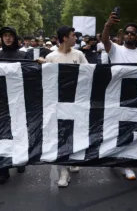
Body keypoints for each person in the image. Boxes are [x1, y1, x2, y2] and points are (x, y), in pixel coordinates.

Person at [101, 12, 137, 181]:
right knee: (114, 129)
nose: (130, 35)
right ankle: (114, 158)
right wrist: (108, 25)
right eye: (127, 32)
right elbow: (105, 40)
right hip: (115, 95)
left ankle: (125, 163)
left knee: (130, 130)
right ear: (123, 35)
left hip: (135, 98)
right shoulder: (115, 49)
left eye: (133, 33)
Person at [44, 26, 87, 187]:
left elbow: (90, 73)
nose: (76, 38)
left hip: (76, 101)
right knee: (60, 134)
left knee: (74, 131)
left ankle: (73, 158)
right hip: (56, 102)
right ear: (64, 38)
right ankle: (63, 171)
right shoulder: (50, 57)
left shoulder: (79, 55)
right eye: (73, 36)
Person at [0, 26, 27, 183]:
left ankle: (20, 159)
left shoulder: (24, 55)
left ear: (15, 37)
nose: (8, 38)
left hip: (19, 100)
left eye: (11, 35)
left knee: (19, 131)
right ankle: (3, 169)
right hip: (1, 102)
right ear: (2, 38)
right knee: (2, 134)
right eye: (5, 35)